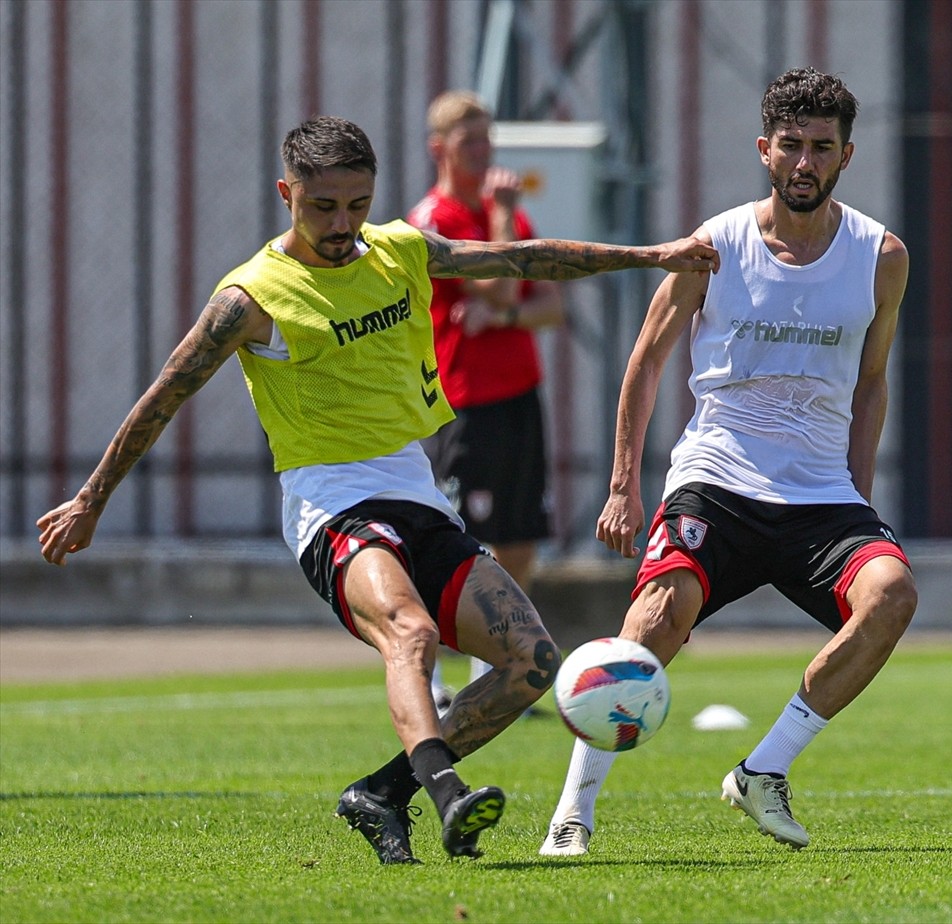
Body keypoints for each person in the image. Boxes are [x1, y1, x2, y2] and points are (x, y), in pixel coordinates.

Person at [35, 116, 718, 865]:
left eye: (356, 203)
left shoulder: (398, 250)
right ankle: (446, 793)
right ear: (285, 193)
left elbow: (523, 255)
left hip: (417, 497)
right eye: (322, 205)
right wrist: (90, 500)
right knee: (412, 633)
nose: (341, 223)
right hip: (332, 508)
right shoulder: (252, 297)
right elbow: (164, 395)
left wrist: (651, 255)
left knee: (534, 662)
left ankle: (381, 793)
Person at [539, 67, 918, 858]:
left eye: (822, 147)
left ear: (847, 155)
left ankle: (762, 772)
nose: (804, 163)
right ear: (764, 150)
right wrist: (621, 486)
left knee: (893, 595)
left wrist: (862, 497)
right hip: (718, 478)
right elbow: (644, 363)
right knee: (654, 619)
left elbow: (873, 381)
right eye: (790, 146)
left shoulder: (881, 256)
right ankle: (572, 812)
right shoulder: (713, 248)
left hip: (820, 494)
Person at [408, 91, 564, 703]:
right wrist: (503, 222)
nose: (484, 151)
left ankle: (488, 672)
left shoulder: (512, 221)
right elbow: (503, 288)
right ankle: (432, 673)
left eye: (487, 139)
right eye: (470, 141)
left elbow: (549, 306)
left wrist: (500, 317)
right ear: (438, 149)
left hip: (519, 393)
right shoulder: (436, 221)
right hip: (465, 401)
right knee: (455, 540)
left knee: (520, 539)